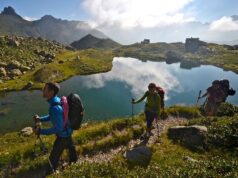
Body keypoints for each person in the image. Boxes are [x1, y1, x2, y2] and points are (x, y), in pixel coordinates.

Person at [33, 82, 77, 175]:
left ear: (51, 92)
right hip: (68, 131)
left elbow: (58, 128)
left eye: (45, 89)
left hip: (63, 136)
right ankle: (74, 164)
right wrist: (40, 119)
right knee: (71, 148)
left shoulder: (55, 107)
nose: (43, 90)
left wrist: (41, 131)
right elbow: (51, 116)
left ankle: (49, 173)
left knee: (53, 157)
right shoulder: (56, 101)